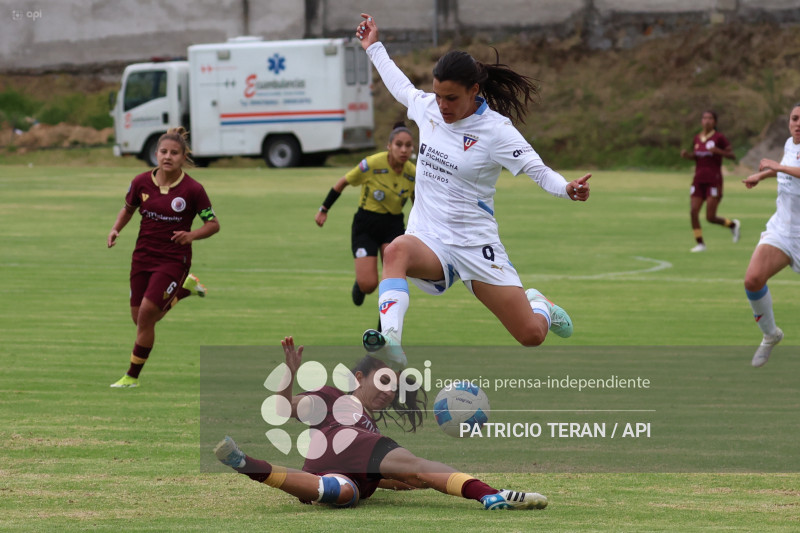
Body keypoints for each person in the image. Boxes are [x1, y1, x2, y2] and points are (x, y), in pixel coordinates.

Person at [353, 14, 591, 370]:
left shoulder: (496, 131)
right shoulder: (429, 109)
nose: (442, 105)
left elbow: (538, 171)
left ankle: (540, 304)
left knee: (530, 335)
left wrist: (567, 188)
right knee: (396, 250)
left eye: (451, 98)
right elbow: (400, 86)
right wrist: (374, 47)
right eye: (438, 96)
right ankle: (392, 342)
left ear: (473, 92)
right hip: (430, 238)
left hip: (476, 245)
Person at [213, 336, 548, 510]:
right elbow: (284, 408)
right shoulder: (333, 398)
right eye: (384, 381)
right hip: (346, 443)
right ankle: (489, 494)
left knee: (340, 493)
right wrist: (289, 371)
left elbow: (395, 476)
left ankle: (246, 464)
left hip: (330, 469)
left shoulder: (370, 429)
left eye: (395, 388)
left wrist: (395, 480)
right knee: (418, 465)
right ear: (359, 376)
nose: (390, 392)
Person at [107, 127, 220, 387]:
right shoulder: (141, 182)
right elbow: (128, 209)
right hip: (142, 257)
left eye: (174, 153)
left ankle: (131, 377)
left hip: (173, 260)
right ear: (156, 153)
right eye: (163, 151)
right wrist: (115, 228)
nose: (168, 156)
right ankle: (186, 290)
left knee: (147, 315)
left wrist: (191, 235)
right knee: (140, 319)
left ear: (183, 157)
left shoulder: (193, 189)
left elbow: (213, 224)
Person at [315, 123, 416, 306]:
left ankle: (384, 331)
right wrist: (324, 209)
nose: (403, 150)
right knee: (369, 284)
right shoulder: (372, 164)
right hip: (366, 224)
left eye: (408, 145)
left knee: (393, 282)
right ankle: (360, 284)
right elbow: (342, 183)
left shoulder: (413, 173)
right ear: (389, 146)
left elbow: (417, 203)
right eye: (398, 144)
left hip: (393, 225)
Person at [741, 103, 800, 367]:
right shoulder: (790, 144)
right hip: (783, 230)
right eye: (795, 118)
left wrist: (776, 167)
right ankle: (770, 334)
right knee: (753, 280)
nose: (798, 124)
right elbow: (787, 169)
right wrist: (763, 175)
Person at [680, 110, 740, 252]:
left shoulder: (719, 138)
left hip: (714, 181)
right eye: (704, 118)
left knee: (710, 217)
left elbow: (732, 155)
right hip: (698, 181)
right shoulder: (697, 138)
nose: (707, 120)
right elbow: (697, 157)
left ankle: (732, 225)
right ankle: (700, 244)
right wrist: (687, 156)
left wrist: (718, 151)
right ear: (701, 121)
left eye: (710, 118)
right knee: (693, 211)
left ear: (715, 122)